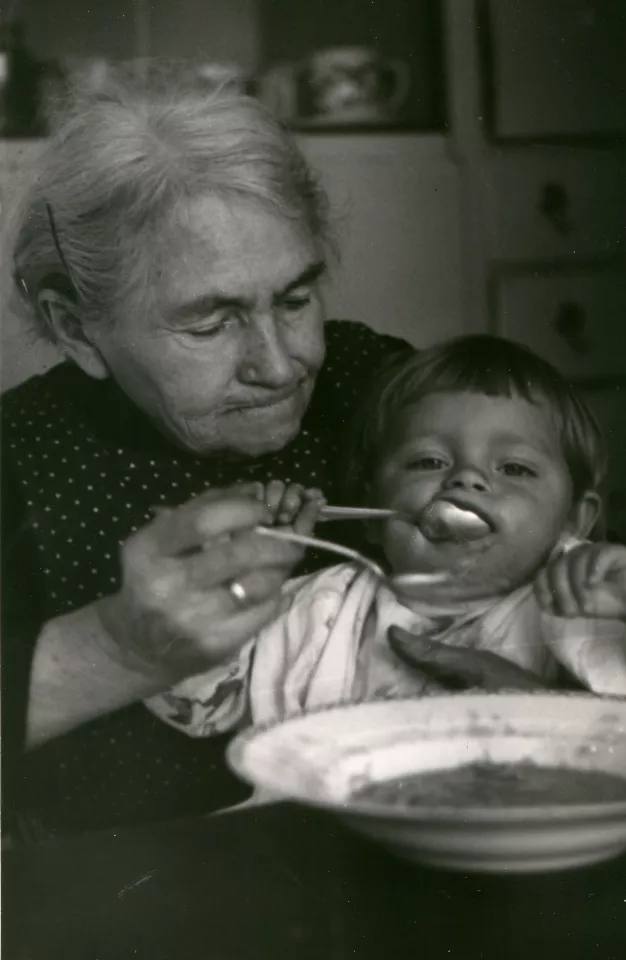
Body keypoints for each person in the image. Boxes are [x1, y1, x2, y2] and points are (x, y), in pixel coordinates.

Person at [0, 64, 410, 840]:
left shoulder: (379, 390)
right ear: (76, 329)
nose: (281, 365)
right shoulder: (15, 464)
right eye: (210, 323)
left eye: (295, 300)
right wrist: (120, 647)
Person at [146, 335, 626, 738]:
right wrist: (224, 573)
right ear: (371, 515)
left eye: (514, 468)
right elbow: (194, 704)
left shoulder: (579, 608)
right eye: (429, 462)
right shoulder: (319, 611)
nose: (466, 480)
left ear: (575, 519)